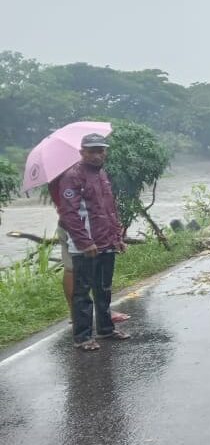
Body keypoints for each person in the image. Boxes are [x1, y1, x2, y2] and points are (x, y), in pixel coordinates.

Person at [56, 133, 130, 351]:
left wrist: (117, 237)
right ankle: (83, 337)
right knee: (83, 292)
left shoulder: (102, 175)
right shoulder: (73, 177)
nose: (98, 155)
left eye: (101, 150)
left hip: (106, 242)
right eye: (92, 151)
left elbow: (109, 210)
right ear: (82, 153)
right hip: (86, 247)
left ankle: (106, 330)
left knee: (104, 289)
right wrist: (84, 242)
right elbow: (69, 214)